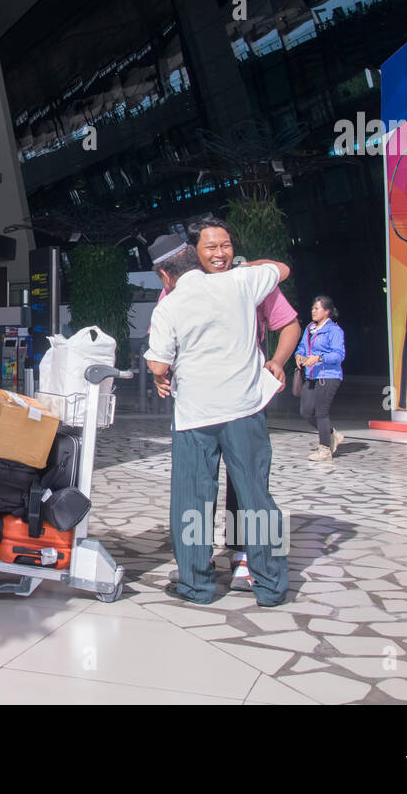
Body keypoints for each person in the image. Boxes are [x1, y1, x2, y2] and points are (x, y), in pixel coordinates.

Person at [146, 246, 291, 607]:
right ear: (198, 261)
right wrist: (247, 264)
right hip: (245, 409)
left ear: (165, 275)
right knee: (257, 497)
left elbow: (158, 365)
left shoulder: (170, 304)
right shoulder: (241, 281)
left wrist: (164, 369)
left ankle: (197, 586)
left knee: (193, 499)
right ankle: (271, 587)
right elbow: (282, 268)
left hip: (197, 415)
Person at [182, 217, 301, 591]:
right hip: (198, 406)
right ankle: (197, 570)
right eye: (210, 247)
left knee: (249, 486)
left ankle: (247, 555)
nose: (219, 254)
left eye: (225, 245)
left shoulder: (253, 281)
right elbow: (164, 338)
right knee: (196, 492)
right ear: (194, 251)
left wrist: (278, 361)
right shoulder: (182, 287)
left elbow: (290, 323)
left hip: (242, 401)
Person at [296, 295, 346, 461]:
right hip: (311, 375)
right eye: (313, 308)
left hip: (328, 375)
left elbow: (339, 355)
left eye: (317, 308)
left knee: (321, 412)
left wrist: (319, 358)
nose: (313, 311)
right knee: (306, 411)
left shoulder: (334, 331)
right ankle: (332, 434)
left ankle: (325, 449)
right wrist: (299, 354)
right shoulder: (310, 328)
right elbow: (303, 346)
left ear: (327, 311)